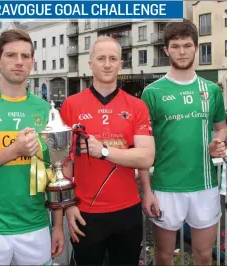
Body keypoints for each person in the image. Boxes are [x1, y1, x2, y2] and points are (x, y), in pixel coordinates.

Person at [0, 29, 65, 265]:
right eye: (11, 55)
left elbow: (56, 172)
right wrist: (13, 151)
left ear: (33, 62)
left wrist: (58, 226)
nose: (19, 62)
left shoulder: (47, 111)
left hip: (36, 227)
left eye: (25, 56)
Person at [59, 35, 155, 266]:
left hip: (127, 210)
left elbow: (146, 157)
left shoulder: (136, 105)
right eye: (101, 58)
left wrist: (103, 151)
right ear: (90, 63)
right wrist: (68, 205)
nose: (107, 64)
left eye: (113, 58)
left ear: (121, 65)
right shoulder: (71, 105)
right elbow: (62, 164)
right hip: (85, 212)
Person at [139, 19, 227, 265]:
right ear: (166, 50)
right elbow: (143, 146)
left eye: (187, 45)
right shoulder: (152, 92)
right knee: (164, 256)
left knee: (203, 256)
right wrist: (147, 190)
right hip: (166, 186)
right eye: (175, 46)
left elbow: (221, 129)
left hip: (205, 185)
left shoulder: (211, 90)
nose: (182, 51)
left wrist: (218, 143)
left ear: (196, 48)